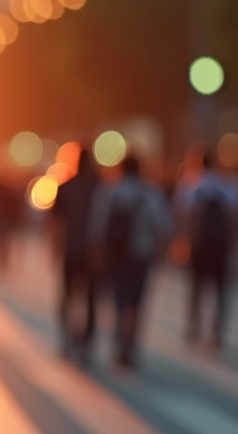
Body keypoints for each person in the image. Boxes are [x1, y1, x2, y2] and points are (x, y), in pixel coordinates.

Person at [88, 155, 172, 369]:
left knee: (118, 300)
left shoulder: (109, 191)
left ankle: (119, 341)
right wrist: (161, 255)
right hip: (140, 254)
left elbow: (97, 226)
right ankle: (130, 344)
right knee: (136, 303)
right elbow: (163, 227)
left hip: (115, 255)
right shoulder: (150, 193)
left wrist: (98, 254)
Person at [179, 151, 238, 349]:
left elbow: (184, 215)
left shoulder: (191, 183)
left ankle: (193, 326)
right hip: (221, 245)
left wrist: (184, 241)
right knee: (220, 289)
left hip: (199, 245)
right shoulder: (228, 183)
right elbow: (235, 216)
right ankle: (217, 331)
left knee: (196, 287)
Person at [50, 147, 101, 362]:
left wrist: (55, 248)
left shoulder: (65, 187)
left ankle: (68, 338)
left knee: (68, 297)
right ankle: (86, 343)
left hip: (71, 249)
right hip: (93, 251)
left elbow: (56, 222)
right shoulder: (100, 187)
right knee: (90, 299)